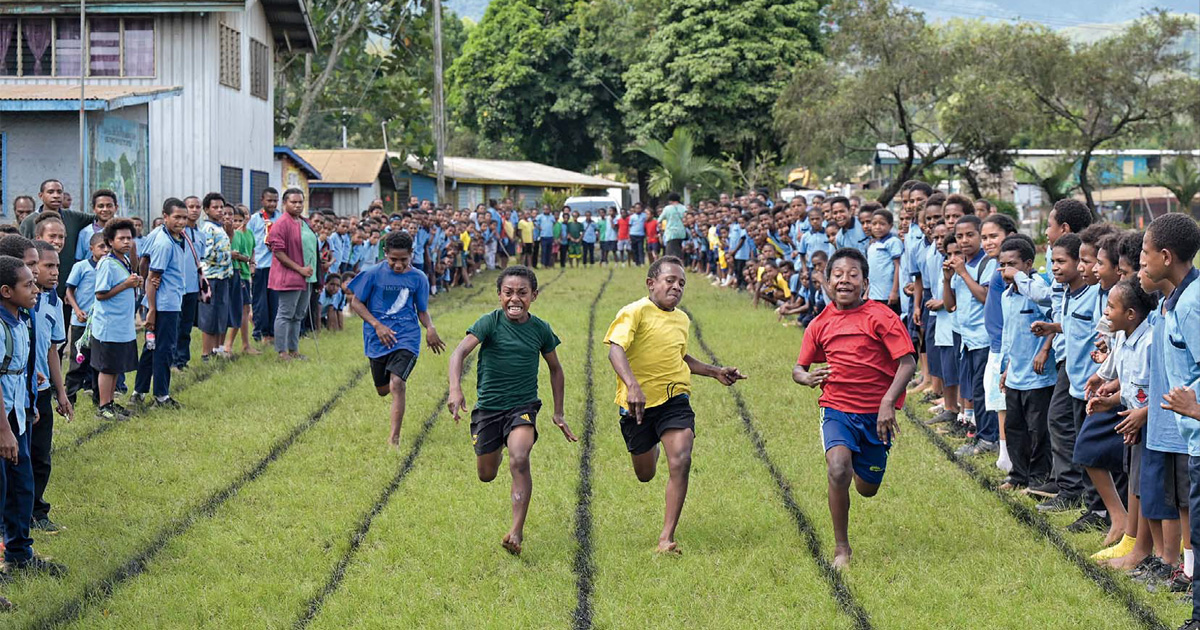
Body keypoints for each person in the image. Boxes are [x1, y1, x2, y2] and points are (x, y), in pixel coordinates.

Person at [604, 256, 746, 553]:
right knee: (645, 474)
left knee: (681, 459)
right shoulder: (634, 312)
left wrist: (715, 371)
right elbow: (616, 350)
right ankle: (652, 443)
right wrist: (633, 386)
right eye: (670, 280)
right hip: (637, 406)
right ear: (651, 283)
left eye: (681, 283)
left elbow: (681, 356)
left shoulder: (682, 318)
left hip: (674, 400)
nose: (676, 287)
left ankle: (666, 537)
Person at [793, 247, 916, 570]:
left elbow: (907, 362)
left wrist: (888, 401)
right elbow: (799, 367)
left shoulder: (881, 317)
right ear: (828, 281)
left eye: (852, 275)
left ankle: (869, 467)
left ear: (865, 282)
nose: (844, 280)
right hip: (837, 409)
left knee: (867, 488)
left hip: (876, 416)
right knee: (837, 469)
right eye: (838, 274)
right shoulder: (819, 323)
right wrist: (806, 377)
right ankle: (841, 549)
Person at [446, 266, 576, 556]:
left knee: (519, 457)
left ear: (534, 296)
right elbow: (458, 353)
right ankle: (496, 445)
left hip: (523, 407)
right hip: (489, 409)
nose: (514, 299)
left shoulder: (540, 329)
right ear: (499, 295)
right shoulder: (489, 323)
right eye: (508, 293)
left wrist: (559, 412)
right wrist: (455, 388)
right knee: (486, 474)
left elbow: (556, 369)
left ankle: (516, 532)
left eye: (522, 293)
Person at [0, 254, 66, 588]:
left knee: (21, 488)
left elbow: (24, 366)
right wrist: (5, 430)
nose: (36, 287)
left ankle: (19, 555)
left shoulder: (23, 317)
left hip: (19, 415)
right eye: (28, 284)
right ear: (6, 291)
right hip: (3, 423)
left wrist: (28, 402)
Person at [348, 231, 445, 446]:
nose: (398, 265)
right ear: (385, 254)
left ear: (412, 254)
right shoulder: (372, 274)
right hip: (377, 339)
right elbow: (356, 302)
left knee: (398, 384)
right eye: (393, 260)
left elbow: (421, 309)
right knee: (383, 390)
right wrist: (377, 325)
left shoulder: (418, 278)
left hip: (407, 337)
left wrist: (430, 327)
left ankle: (394, 439)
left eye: (403, 260)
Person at [996, 236, 1056, 492]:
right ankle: (1018, 476)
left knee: (1038, 429)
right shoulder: (1006, 295)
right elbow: (1009, 335)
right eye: (1002, 265)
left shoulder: (1038, 289)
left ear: (1028, 264)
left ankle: (1038, 478)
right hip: (1016, 374)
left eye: (1012, 264)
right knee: (1015, 427)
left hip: (1038, 375)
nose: (1005, 270)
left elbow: (1055, 318)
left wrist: (1044, 350)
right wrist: (1006, 369)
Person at [944, 215, 999, 457]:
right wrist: (947, 281)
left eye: (970, 235)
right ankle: (983, 435)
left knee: (984, 391)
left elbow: (986, 297)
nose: (964, 240)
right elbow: (950, 305)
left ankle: (988, 439)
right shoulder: (958, 266)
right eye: (959, 236)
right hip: (967, 340)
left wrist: (963, 273)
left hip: (984, 339)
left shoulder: (987, 264)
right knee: (975, 391)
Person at [29, 241, 72, 534]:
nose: (56, 272)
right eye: (49, 266)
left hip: (42, 392)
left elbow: (52, 350)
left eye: (57, 265)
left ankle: (37, 511)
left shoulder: (53, 300)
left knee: (41, 455)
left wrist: (61, 391)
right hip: (19, 393)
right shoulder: (19, 302)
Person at [133, 199, 189, 410]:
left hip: (163, 301)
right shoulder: (164, 243)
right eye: (177, 217)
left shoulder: (161, 234)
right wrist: (153, 312)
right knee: (165, 349)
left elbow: (144, 261)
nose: (181, 221)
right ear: (165, 216)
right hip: (165, 305)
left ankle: (138, 391)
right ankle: (162, 396)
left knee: (151, 347)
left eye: (184, 218)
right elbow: (152, 277)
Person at [91, 219, 141, 421]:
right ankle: (103, 407)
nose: (127, 242)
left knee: (115, 367)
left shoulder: (125, 261)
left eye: (129, 238)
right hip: (108, 326)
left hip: (122, 325)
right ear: (110, 241)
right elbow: (100, 294)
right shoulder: (107, 263)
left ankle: (110, 402)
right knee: (107, 367)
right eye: (122, 238)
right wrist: (127, 284)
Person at [265, 189, 314, 361]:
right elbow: (278, 252)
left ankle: (294, 349)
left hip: (307, 276)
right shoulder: (281, 223)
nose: (298, 205)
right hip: (290, 275)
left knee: (298, 315)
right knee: (285, 314)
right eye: (293, 202)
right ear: (284, 203)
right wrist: (299, 269)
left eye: (300, 202)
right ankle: (282, 352)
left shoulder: (304, 222)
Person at [64, 233, 106, 405]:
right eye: (101, 247)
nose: (105, 250)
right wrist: (77, 310)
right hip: (81, 321)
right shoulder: (81, 267)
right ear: (91, 249)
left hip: (100, 322)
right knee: (78, 361)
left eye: (108, 247)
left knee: (98, 362)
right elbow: (69, 291)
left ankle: (99, 398)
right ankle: (69, 397)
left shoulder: (109, 267)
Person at [197, 193, 233, 361]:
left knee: (220, 312)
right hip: (210, 275)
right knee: (208, 314)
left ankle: (215, 350)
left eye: (221, 208)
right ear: (206, 210)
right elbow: (207, 253)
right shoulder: (207, 229)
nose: (219, 211)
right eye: (215, 208)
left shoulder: (220, 227)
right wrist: (225, 257)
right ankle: (206, 352)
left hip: (223, 276)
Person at [173, 196, 206, 370]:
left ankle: (182, 361)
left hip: (192, 287)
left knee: (186, 326)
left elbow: (202, 260)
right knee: (174, 326)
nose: (194, 210)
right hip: (176, 287)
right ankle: (171, 361)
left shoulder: (201, 234)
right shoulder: (175, 234)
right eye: (190, 207)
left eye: (197, 206)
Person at [247, 187, 281, 345]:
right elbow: (249, 242)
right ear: (262, 200)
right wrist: (251, 263)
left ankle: (273, 332)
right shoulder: (254, 219)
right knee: (260, 302)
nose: (272, 203)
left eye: (275, 200)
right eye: (269, 200)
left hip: (277, 266)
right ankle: (260, 332)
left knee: (275, 301)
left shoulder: (281, 218)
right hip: (260, 265)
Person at [227, 205, 259, 356]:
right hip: (238, 273)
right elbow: (236, 254)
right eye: (237, 219)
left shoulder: (250, 233)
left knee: (245, 310)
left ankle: (243, 344)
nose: (242, 220)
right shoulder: (236, 234)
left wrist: (252, 263)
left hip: (246, 274)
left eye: (245, 215)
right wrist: (244, 259)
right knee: (241, 310)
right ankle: (232, 345)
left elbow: (252, 251)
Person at [866, 208, 902, 313]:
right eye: (874, 224)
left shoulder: (893, 242)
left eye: (882, 224)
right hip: (874, 294)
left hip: (887, 294)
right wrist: (867, 291)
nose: (877, 227)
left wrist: (894, 291)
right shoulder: (872, 244)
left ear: (890, 226)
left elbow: (898, 266)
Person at [661, 193, 688, 259]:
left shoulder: (667, 208)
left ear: (670, 200)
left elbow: (660, 219)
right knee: (679, 249)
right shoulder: (684, 208)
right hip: (681, 233)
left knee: (670, 252)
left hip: (671, 233)